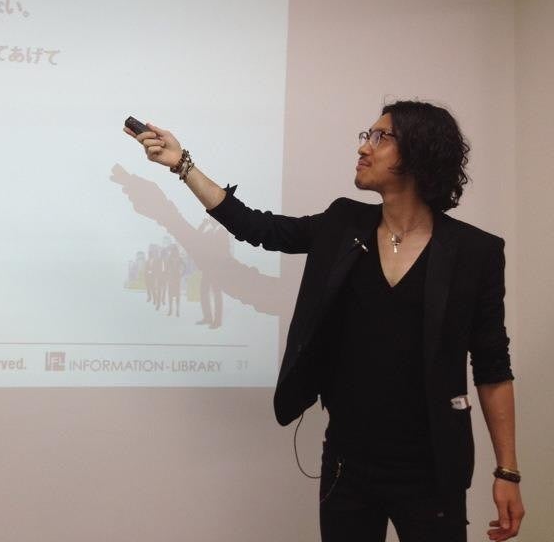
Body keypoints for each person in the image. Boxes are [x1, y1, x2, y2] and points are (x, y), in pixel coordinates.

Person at [126, 101, 524, 542]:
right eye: (367, 136)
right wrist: (182, 164)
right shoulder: (343, 223)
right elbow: (258, 228)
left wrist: (507, 471)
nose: (364, 147)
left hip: (431, 468)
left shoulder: (475, 252)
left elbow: (492, 367)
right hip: (347, 464)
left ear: (419, 151)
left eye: (380, 137)